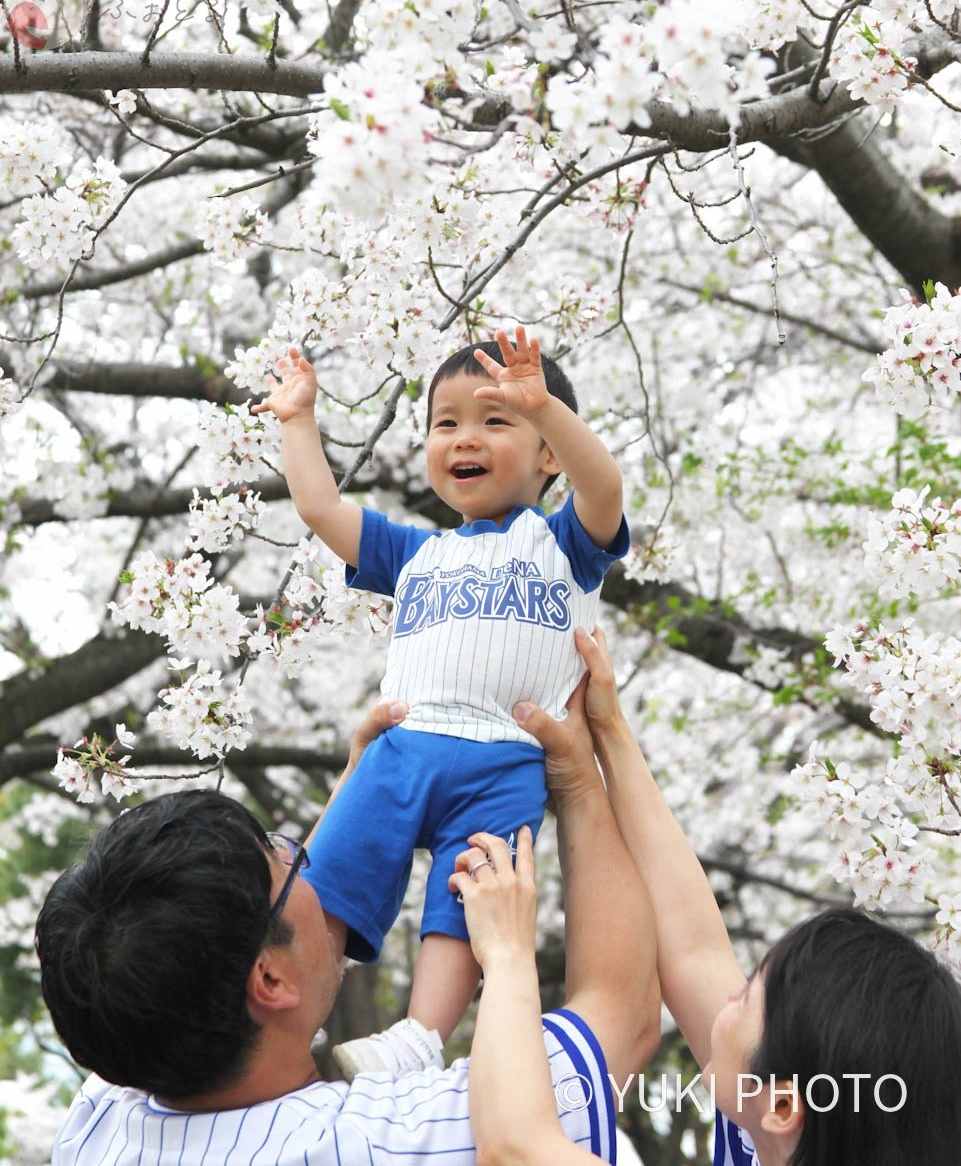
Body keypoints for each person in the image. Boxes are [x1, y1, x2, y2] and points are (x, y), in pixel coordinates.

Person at [35, 694, 660, 1166]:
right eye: (283, 857)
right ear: (269, 980)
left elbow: (233, 944)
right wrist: (579, 782)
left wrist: (364, 786)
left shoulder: (99, 1123)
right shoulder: (403, 1138)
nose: (304, 859)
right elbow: (622, 1017)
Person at [252, 326, 628, 1077]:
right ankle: (284, 1006)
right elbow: (324, 511)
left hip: (505, 761)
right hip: (402, 746)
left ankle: (420, 1037)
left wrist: (548, 409)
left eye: (496, 420)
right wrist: (297, 422)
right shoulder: (418, 553)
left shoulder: (565, 547)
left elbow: (605, 488)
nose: (466, 437)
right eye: (445, 423)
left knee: (469, 903)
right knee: (327, 878)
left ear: (547, 453)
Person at [461, 627, 961, 1166]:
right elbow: (693, 949)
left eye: (747, 1000)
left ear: (785, 1104)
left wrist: (508, 952)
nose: (727, 995)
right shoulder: (784, 1140)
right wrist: (606, 731)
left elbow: (514, 1147)